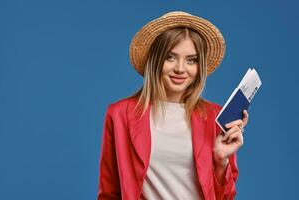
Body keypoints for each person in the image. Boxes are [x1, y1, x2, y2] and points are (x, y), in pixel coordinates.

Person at [97, 11, 249, 200]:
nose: (180, 68)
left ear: (199, 66)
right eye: (170, 57)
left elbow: (226, 196)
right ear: (156, 60)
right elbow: (109, 192)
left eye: (191, 60)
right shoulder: (120, 114)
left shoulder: (215, 117)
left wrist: (220, 160)